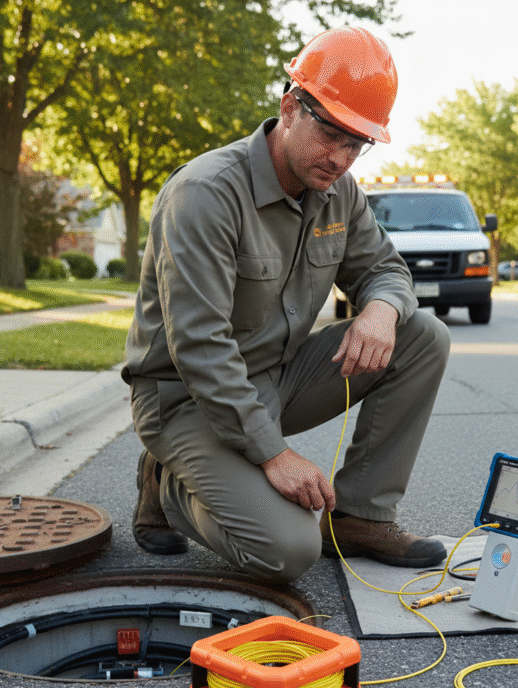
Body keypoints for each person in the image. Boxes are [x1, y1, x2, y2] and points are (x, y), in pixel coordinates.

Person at [122, 26, 451, 583]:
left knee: (423, 336)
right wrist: (275, 456)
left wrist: (380, 309)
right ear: (290, 107)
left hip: (275, 377)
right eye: (332, 134)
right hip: (186, 397)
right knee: (286, 551)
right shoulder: (206, 194)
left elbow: (385, 270)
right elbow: (199, 348)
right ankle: (168, 483)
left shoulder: (337, 192)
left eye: (357, 143)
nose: (342, 158)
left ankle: (357, 516)